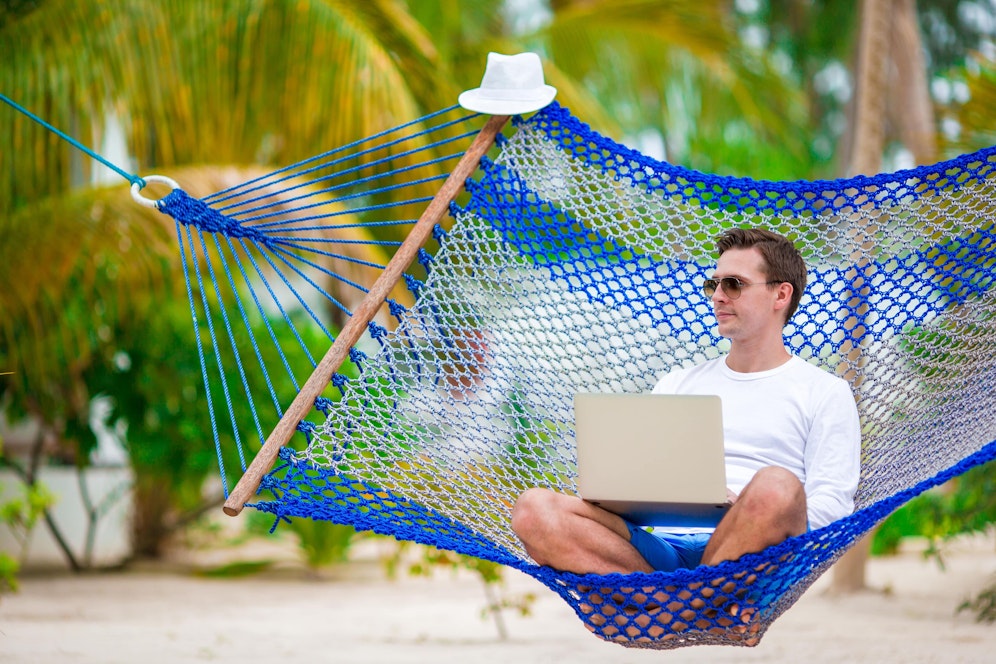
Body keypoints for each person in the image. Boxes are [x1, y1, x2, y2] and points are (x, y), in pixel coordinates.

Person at [511, 227, 861, 576]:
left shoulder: (824, 392)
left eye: (734, 284)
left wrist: (748, 509)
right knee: (533, 509)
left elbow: (831, 509)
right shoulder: (678, 382)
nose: (718, 296)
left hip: (754, 554)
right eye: (714, 284)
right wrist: (618, 495)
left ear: (781, 295)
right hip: (662, 549)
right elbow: (645, 475)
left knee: (777, 486)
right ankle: (691, 604)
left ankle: (675, 605)